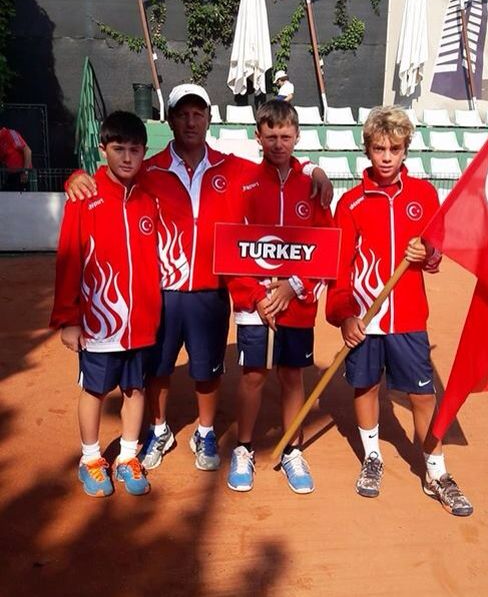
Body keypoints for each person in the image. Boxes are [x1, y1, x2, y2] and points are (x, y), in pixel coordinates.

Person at [66, 84, 333, 474]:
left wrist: (313, 168)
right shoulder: (149, 169)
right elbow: (110, 180)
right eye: (183, 114)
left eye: (198, 114)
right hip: (161, 291)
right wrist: (75, 176)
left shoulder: (232, 168)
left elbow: (277, 161)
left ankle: (205, 432)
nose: (191, 122)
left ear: (208, 119)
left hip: (210, 289)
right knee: (158, 369)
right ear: (171, 119)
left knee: (208, 370)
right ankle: (160, 429)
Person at [326, 106, 473, 517]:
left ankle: (436, 472)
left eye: (394, 148)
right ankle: (372, 457)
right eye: (379, 149)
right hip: (365, 318)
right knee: (366, 387)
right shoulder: (350, 203)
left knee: (423, 395)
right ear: (367, 150)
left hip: (408, 318)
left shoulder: (424, 195)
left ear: (406, 149)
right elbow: (339, 268)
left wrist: (428, 254)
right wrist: (345, 315)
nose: (387, 157)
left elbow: (435, 254)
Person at [50, 111, 161, 497]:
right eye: (118, 149)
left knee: (135, 388)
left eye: (135, 150)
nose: (127, 158)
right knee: (95, 391)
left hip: (141, 320)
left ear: (144, 152)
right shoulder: (85, 196)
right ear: (102, 150)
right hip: (99, 322)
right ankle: (91, 459)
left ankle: (128, 456)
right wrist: (68, 317)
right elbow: (68, 259)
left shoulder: (150, 195)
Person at [226, 100, 333, 495]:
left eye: (285, 136)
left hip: (298, 302)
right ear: (258, 136)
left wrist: (294, 287)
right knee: (254, 375)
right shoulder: (244, 184)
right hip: (254, 303)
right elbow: (230, 249)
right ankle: (243, 448)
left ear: (297, 137)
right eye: (270, 136)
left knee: (291, 375)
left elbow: (327, 249)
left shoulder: (313, 186)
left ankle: (292, 449)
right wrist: (257, 296)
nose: (278, 144)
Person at [0, 126, 32, 190]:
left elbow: (27, 151)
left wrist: (25, 172)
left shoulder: (10, 133)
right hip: (11, 175)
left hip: (22, 174)